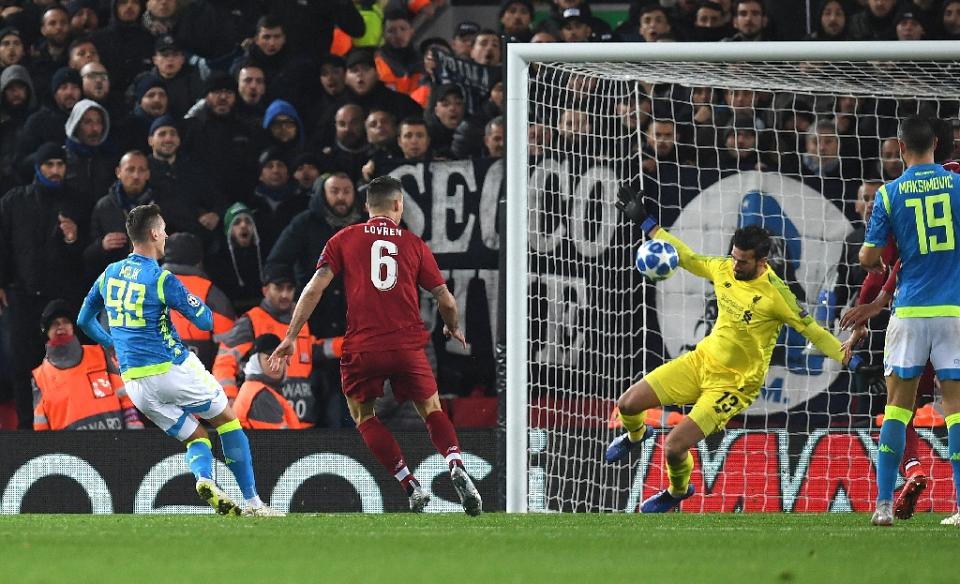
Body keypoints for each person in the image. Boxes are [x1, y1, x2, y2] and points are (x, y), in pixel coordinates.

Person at [605, 186, 852, 512]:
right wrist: (647, 224)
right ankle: (636, 436)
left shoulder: (778, 295)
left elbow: (813, 331)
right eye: (734, 257)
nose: (735, 265)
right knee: (628, 404)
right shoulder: (724, 268)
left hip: (733, 385)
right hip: (701, 361)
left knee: (673, 448)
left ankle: (678, 491)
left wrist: (849, 357)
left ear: (762, 261)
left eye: (743, 261)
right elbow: (687, 257)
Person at [268, 176, 482, 515]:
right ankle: (454, 461)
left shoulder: (344, 238)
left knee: (363, 415)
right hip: (408, 345)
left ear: (366, 207)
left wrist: (292, 336)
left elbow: (313, 289)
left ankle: (409, 485)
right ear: (398, 206)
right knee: (432, 410)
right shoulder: (413, 244)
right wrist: (452, 326)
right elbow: (446, 299)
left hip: (363, 346)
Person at [77, 203, 281, 516]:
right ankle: (254, 502)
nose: (167, 235)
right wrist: (197, 304)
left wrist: (112, 343)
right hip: (172, 368)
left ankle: (204, 480)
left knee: (196, 436)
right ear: (155, 233)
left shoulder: (109, 274)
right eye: (164, 229)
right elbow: (205, 322)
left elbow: (84, 320)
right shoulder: (161, 279)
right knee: (227, 421)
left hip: (135, 384)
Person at [857, 116, 960, 526]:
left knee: (897, 409)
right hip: (953, 311)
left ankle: (883, 505)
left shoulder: (888, 193)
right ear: (936, 143)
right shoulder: (957, 183)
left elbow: (868, 257)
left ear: (900, 149)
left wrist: (880, 259)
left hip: (910, 311)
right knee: (955, 410)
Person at [213, 263, 318, 426]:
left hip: (302, 418)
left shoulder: (300, 321)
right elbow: (224, 361)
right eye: (278, 288)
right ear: (266, 290)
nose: (285, 294)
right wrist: (229, 399)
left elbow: (312, 350)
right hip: (265, 417)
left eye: (289, 288)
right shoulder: (251, 321)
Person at [32, 298, 143, 431]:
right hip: (71, 449)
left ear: (73, 327)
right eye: (55, 324)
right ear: (47, 332)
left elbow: (123, 394)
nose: (61, 327)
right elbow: (40, 423)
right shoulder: (40, 377)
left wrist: (133, 425)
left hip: (115, 442)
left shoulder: (101, 354)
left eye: (66, 322)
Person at [234, 333, 305, 430]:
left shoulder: (255, 388)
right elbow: (279, 442)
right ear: (256, 362)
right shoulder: (262, 396)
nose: (276, 364)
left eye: (281, 359)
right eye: (269, 359)